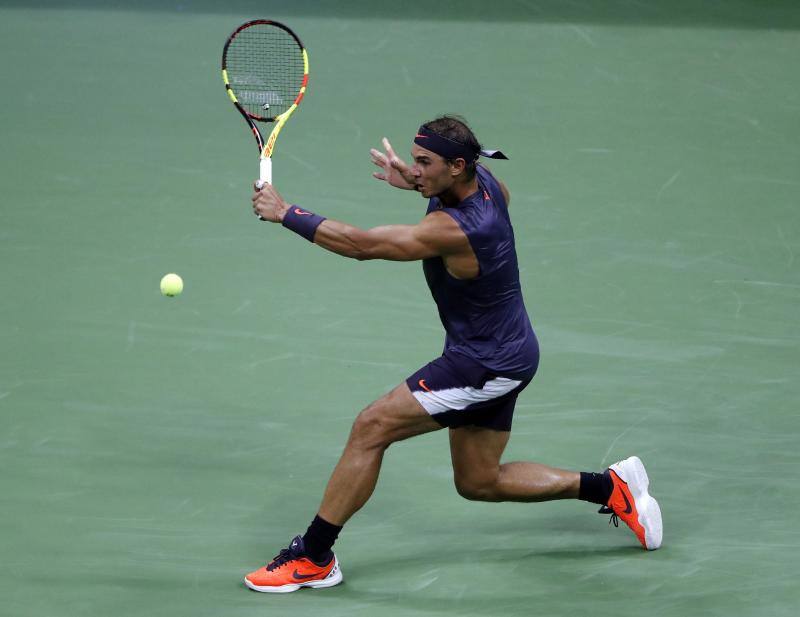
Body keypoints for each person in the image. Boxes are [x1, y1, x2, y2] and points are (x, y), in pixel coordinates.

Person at [244, 115, 662, 593]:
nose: (414, 168)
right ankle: (611, 487)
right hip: (507, 351)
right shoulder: (485, 182)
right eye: (415, 160)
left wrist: (286, 212)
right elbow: (466, 189)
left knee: (372, 426)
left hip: (485, 363)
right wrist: (417, 184)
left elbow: (362, 246)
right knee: (479, 482)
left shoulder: (460, 229)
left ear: (457, 165)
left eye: (424, 162)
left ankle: (314, 556)